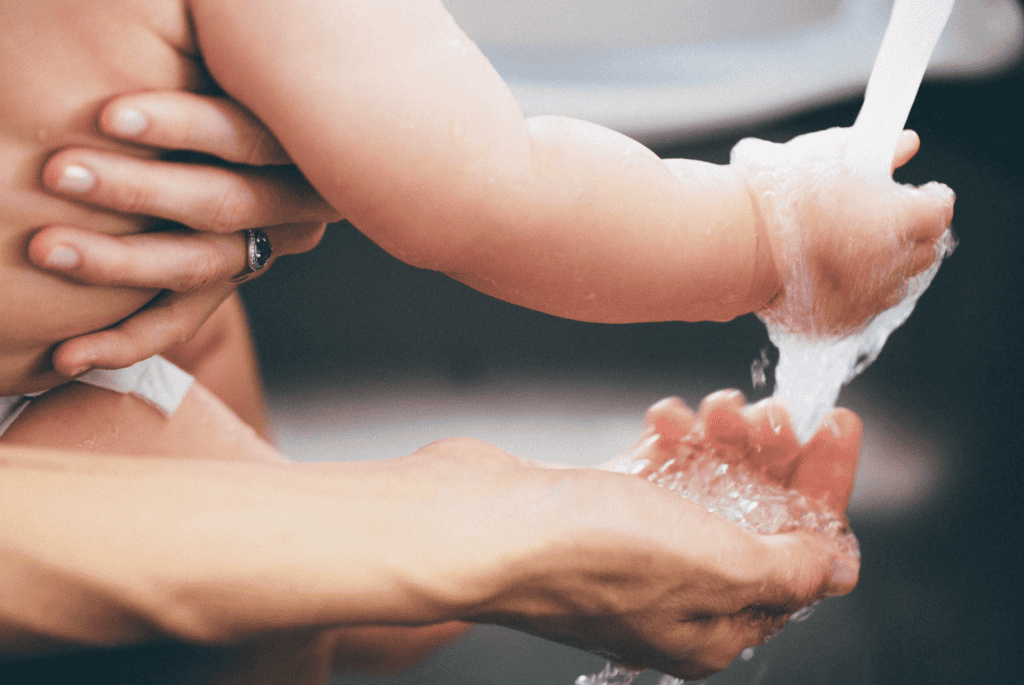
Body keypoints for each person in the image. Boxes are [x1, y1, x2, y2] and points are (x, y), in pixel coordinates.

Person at [0, 0, 951, 681]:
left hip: (59, 372)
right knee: (228, 615)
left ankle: (349, 608)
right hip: (49, 414)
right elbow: (498, 191)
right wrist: (769, 240)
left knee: (210, 401)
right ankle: (301, 628)